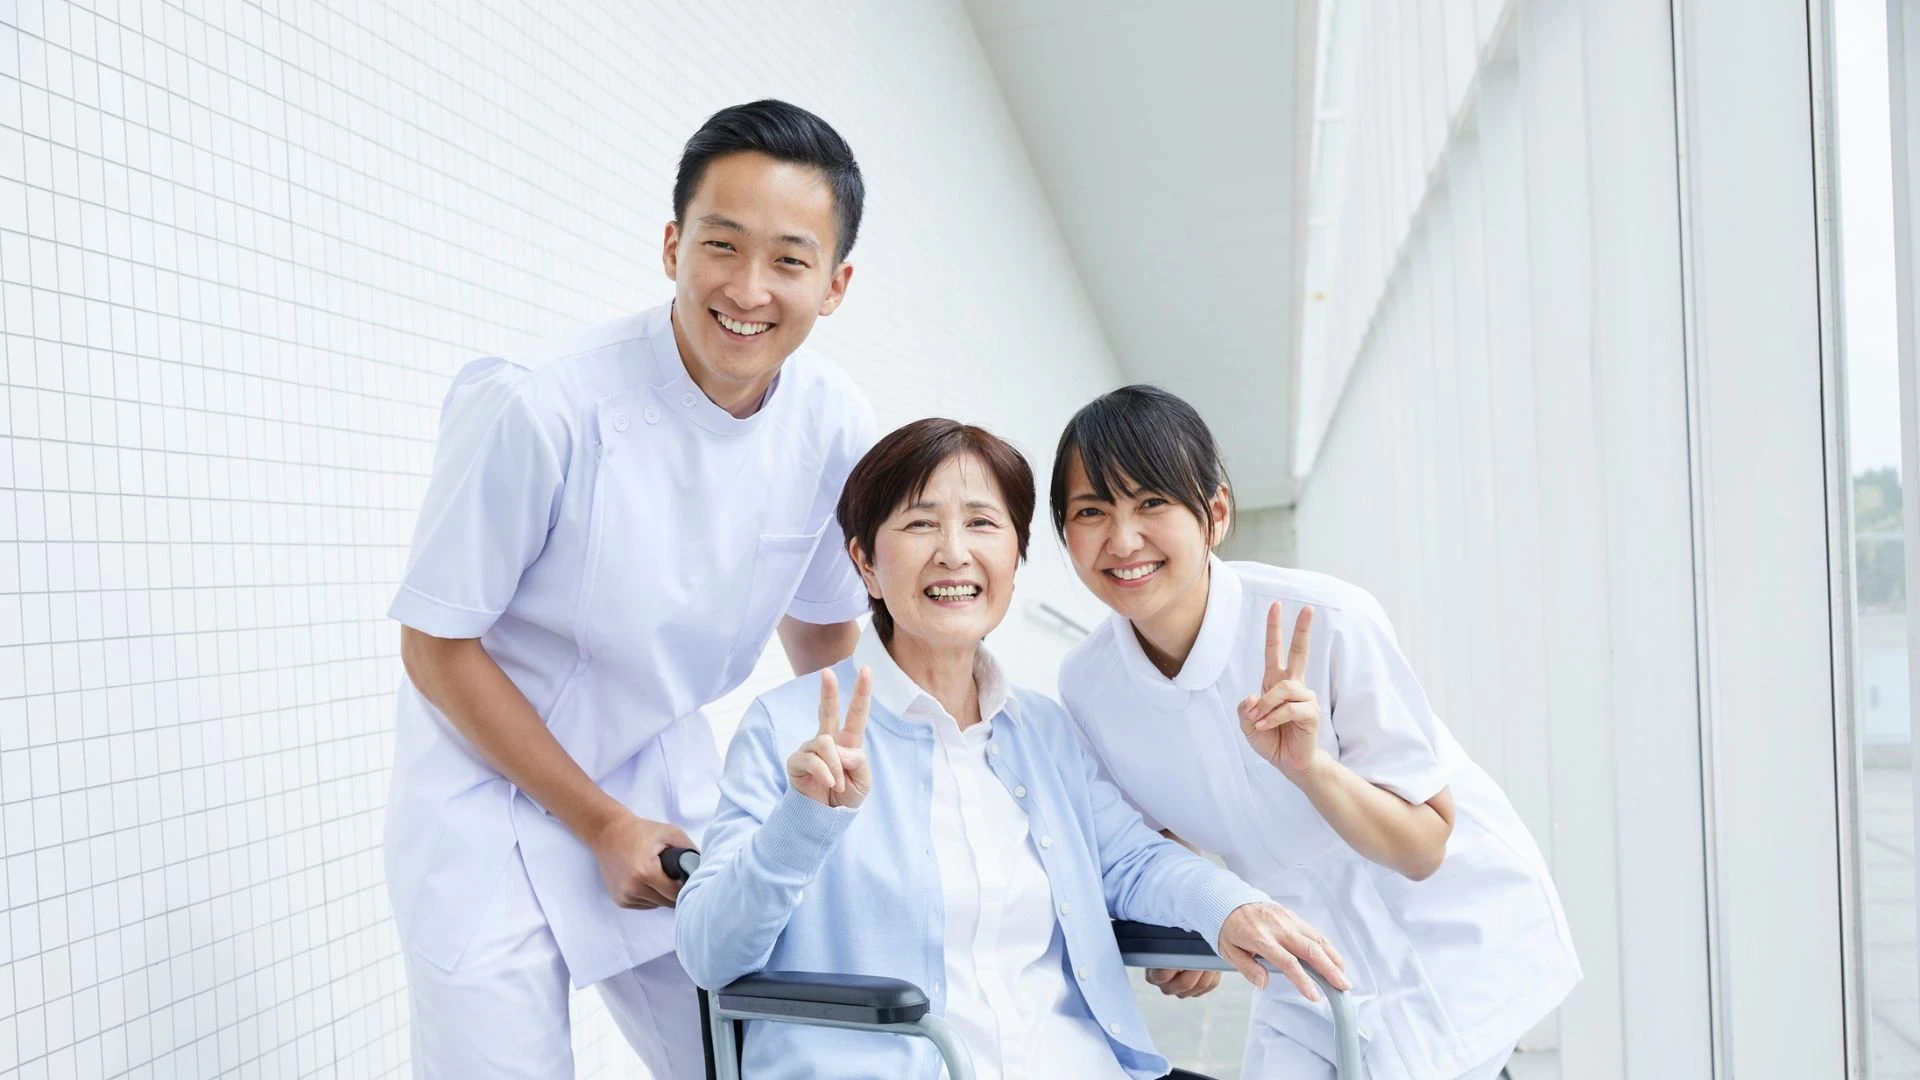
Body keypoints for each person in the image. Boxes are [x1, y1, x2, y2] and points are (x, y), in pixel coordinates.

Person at [384, 100, 878, 1078]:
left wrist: (840, 822)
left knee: (757, 1059)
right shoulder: (541, 403)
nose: (746, 289)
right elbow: (436, 644)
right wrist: (600, 823)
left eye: (788, 260)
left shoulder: (831, 424)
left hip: (660, 779)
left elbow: (826, 640)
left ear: (835, 285)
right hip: (487, 794)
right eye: (720, 246)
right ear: (671, 246)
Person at [676, 418, 1352, 1080]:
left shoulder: (1043, 730)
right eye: (919, 524)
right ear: (866, 564)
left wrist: (1232, 908)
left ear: (1016, 558)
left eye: (981, 522)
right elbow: (709, 953)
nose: (953, 552)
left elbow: (1134, 859)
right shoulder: (788, 730)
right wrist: (803, 823)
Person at [1051, 386, 1581, 1080]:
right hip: (1307, 965)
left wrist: (1313, 769)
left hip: (1454, 943)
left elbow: (1425, 847)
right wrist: (1197, 922)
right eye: (1093, 511)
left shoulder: (1327, 620)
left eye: (1152, 502)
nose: (1123, 541)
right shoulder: (1090, 686)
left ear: (1214, 513)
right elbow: (1157, 829)